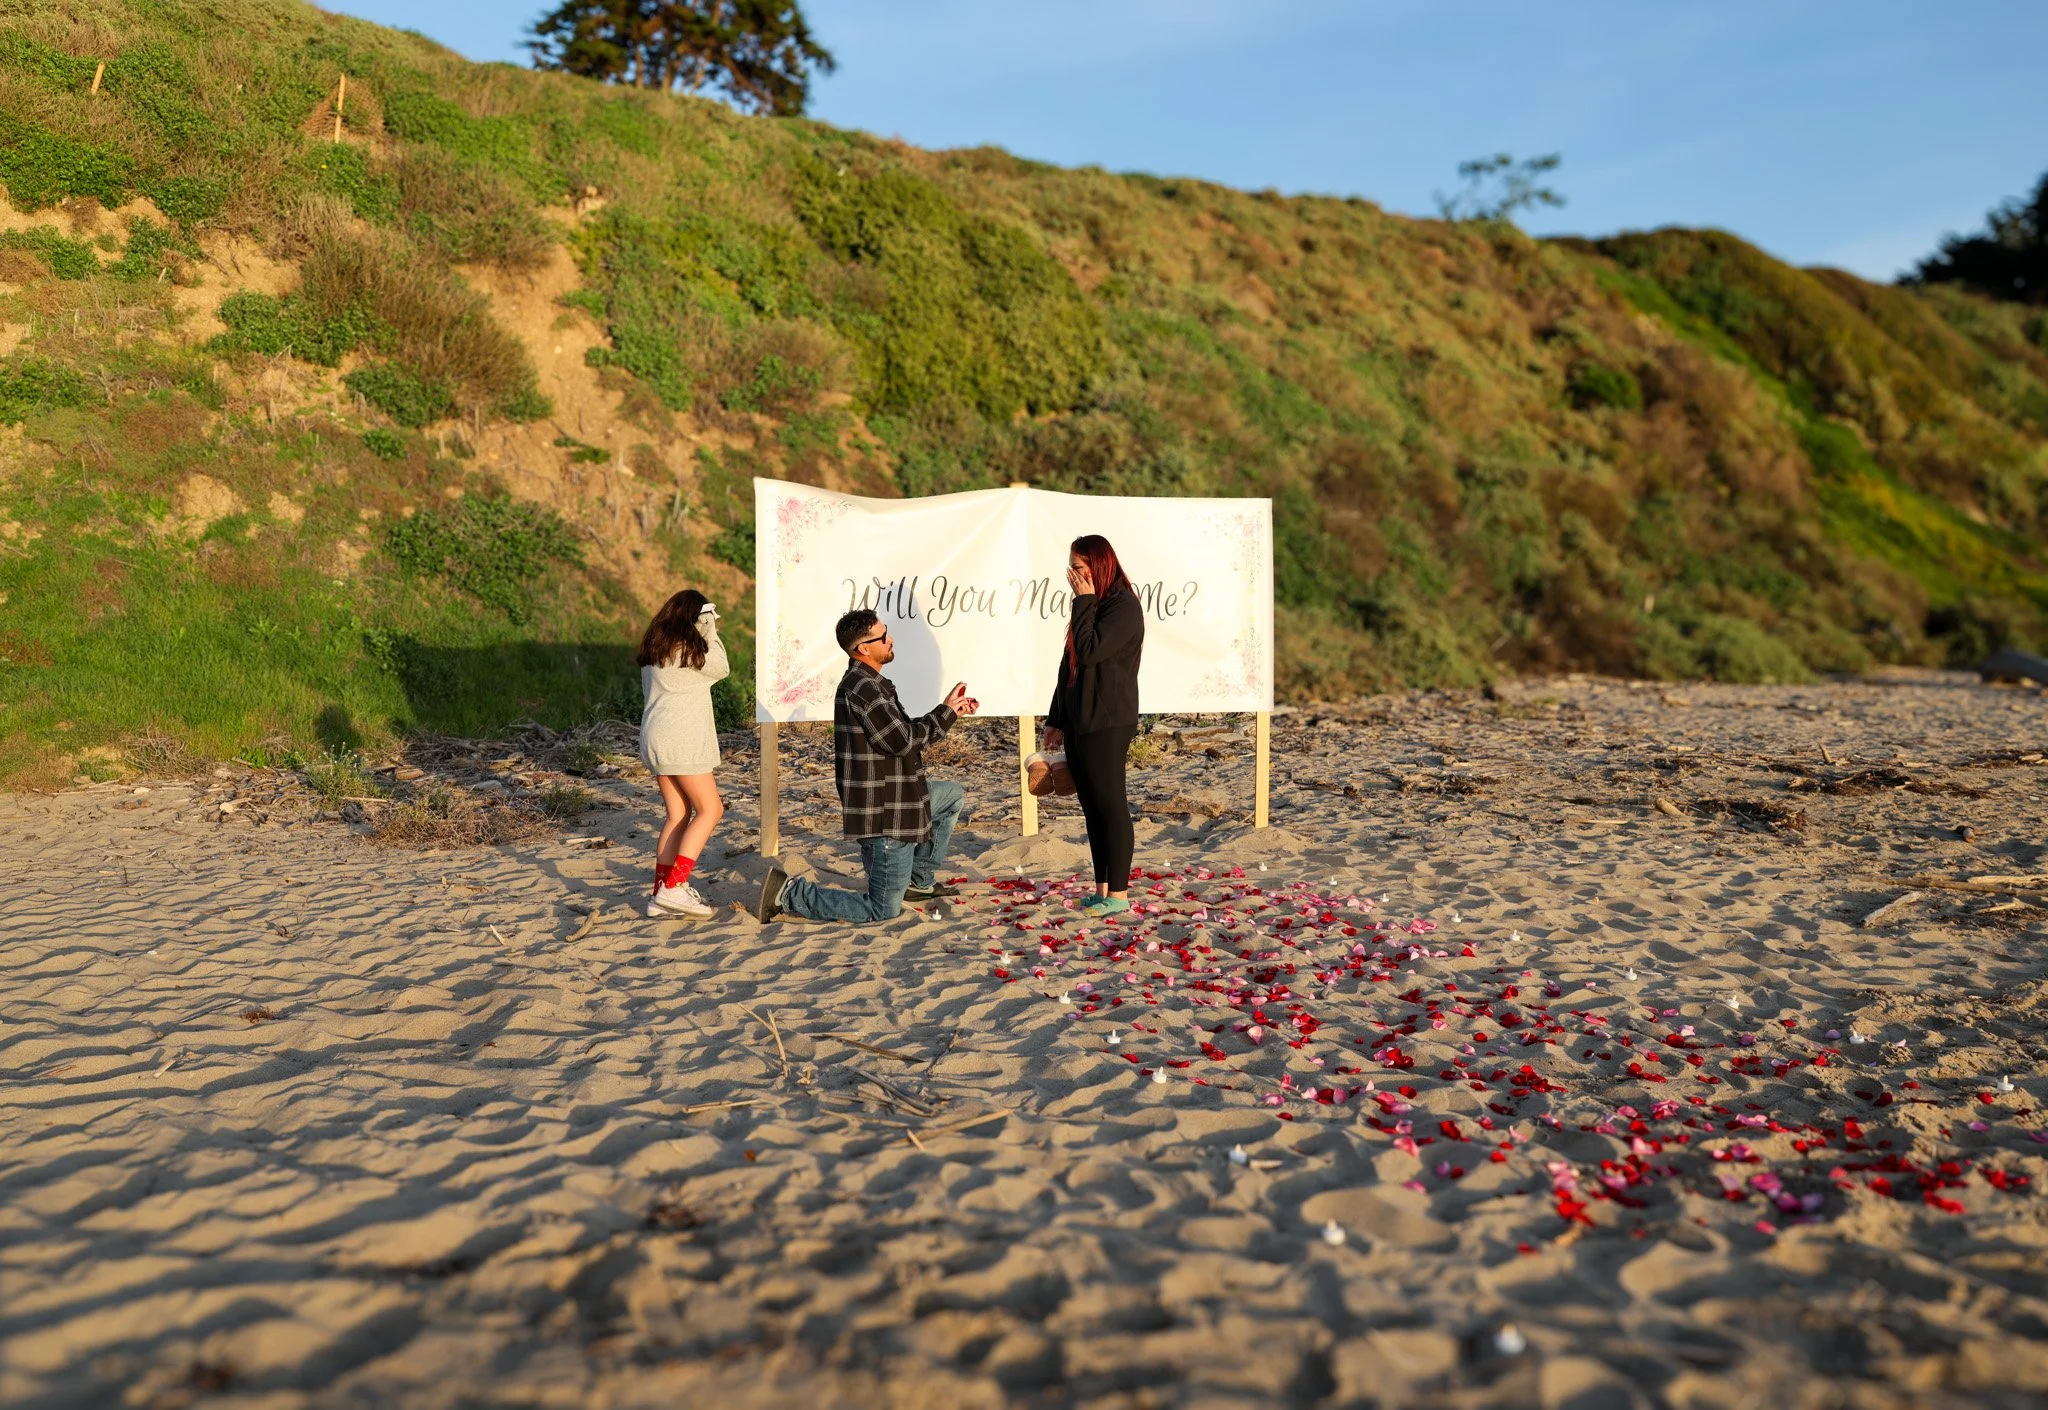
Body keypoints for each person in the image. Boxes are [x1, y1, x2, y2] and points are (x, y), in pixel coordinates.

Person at [755, 609, 978, 923]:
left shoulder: (870, 682)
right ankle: (789, 893)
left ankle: (916, 880)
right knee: (882, 910)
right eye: (883, 636)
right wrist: (946, 714)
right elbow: (904, 742)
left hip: (902, 796)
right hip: (885, 815)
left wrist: (947, 708)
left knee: (951, 795)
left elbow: (900, 733)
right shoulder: (863, 688)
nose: (891, 639)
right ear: (863, 648)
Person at [1042, 534, 1144, 914]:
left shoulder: (1122, 605)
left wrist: (1082, 600)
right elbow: (1067, 664)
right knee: (1090, 806)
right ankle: (1102, 888)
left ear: (1099, 566)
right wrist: (1056, 718)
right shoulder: (1094, 603)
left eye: (1080, 568)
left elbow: (1089, 651)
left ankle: (1119, 894)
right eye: (1070, 567)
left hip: (1108, 720)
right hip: (1080, 717)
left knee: (1110, 805)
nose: (1073, 576)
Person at [637, 589, 727, 919]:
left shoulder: (656, 650)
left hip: (655, 738)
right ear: (695, 617)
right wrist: (709, 628)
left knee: (677, 815)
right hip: (682, 740)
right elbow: (722, 667)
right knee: (711, 809)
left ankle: (660, 894)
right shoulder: (688, 650)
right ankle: (675, 887)